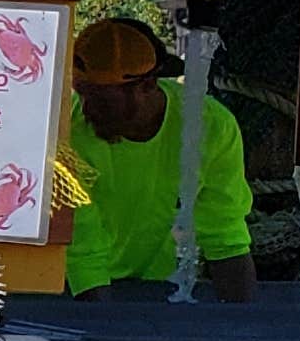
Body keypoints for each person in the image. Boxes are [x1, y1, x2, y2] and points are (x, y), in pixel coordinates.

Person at [65, 16, 254, 300]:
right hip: (79, 293)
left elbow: (226, 237)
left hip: (159, 289)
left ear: (147, 85)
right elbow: (84, 253)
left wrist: (247, 326)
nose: (87, 108)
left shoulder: (210, 126)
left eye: (101, 98)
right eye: (82, 92)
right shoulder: (69, 132)